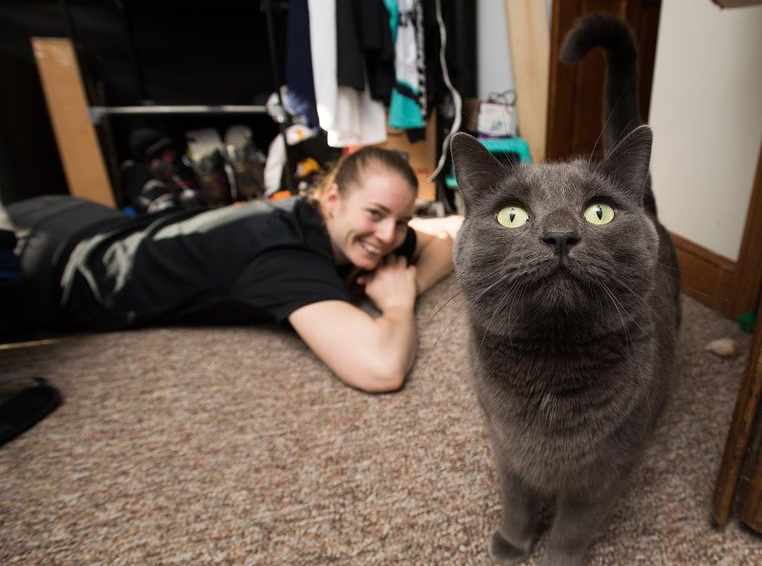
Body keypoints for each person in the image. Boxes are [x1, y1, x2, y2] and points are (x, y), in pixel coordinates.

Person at [1, 146, 459, 393]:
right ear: (333, 198)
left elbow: (451, 231)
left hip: (82, 218)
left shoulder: (334, 225)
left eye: (400, 221)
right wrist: (398, 306)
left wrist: (413, 278)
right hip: (51, 271)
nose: (388, 237)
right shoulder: (287, 257)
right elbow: (381, 369)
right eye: (375, 214)